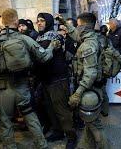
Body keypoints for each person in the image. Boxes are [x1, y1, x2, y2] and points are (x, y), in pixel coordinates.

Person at [0, 8, 61, 149]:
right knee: (31, 117)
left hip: (2, 90)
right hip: (22, 88)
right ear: (16, 21)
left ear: (2, 22)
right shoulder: (24, 39)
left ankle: (10, 146)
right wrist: (52, 46)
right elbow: (44, 57)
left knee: (5, 122)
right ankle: (42, 145)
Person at [65, 13, 109, 148]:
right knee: (89, 122)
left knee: (95, 125)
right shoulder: (93, 38)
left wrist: (78, 93)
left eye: (78, 26)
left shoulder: (88, 45)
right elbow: (75, 35)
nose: (76, 28)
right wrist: (64, 22)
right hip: (93, 87)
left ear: (84, 27)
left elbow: (90, 73)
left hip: (90, 89)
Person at [35, 12, 77, 148]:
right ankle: (58, 131)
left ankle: (71, 136)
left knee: (62, 110)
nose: (39, 23)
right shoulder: (39, 37)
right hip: (46, 80)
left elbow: (45, 54)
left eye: (42, 21)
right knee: (50, 109)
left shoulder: (55, 36)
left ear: (48, 22)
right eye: (38, 21)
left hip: (57, 79)